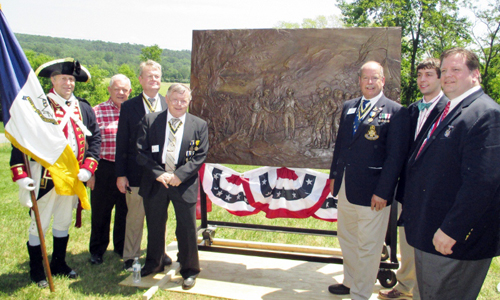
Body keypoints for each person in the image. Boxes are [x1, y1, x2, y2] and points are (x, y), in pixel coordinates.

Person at [402, 48, 500, 299]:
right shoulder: (452, 109)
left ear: (475, 74)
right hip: (430, 232)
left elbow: (482, 183)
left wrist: (453, 230)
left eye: (456, 70)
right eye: (444, 70)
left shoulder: (486, 114)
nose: (447, 76)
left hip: (451, 241)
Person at [10, 58, 100, 287]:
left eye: (71, 79)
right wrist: (21, 175)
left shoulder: (84, 108)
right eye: (63, 79)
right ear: (52, 80)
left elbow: (95, 139)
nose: (68, 83)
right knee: (38, 224)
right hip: (44, 175)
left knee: (63, 221)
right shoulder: (38, 107)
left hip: (73, 176)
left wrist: (88, 169)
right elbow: (20, 142)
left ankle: (59, 263)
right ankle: (37, 270)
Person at [328, 61, 410, 300]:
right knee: (347, 238)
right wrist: (335, 177)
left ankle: (361, 294)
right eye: (366, 78)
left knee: (369, 246)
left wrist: (383, 192)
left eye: (375, 78)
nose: (370, 82)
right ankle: (350, 281)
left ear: (383, 80)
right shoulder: (349, 107)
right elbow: (341, 146)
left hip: (373, 192)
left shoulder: (395, 111)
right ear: (360, 80)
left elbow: (395, 158)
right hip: (346, 187)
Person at [379, 58, 448, 300]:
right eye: (419, 75)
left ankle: (424, 293)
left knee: (428, 247)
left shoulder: (451, 109)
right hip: (408, 190)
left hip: (434, 193)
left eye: (429, 74)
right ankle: (406, 284)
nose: (422, 80)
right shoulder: (410, 110)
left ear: (440, 78)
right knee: (407, 242)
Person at [136, 83, 208, 290]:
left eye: (183, 100)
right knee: (155, 224)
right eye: (175, 100)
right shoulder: (150, 120)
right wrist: (160, 174)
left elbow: (200, 155)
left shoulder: (199, 124)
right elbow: (141, 152)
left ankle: (189, 270)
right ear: (166, 99)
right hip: (156, 180)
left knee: (187, 227)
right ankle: (154, 263)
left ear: (189, 102)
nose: (179, 104)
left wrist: (180, 175)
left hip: (184, 182)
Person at [115, 60, 167, 271]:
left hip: (161, 173)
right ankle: (131, 256)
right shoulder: (129, 107)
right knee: (135, 216)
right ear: (140, 80)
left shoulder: (168, 103)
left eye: (156, 76)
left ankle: (159, 253)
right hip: (136, 172)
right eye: (149, 76)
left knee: (159, 217)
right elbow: (122, 141)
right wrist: (120, 174)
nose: (153, 79)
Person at [88, 74, 132, 265]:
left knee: (125, 210)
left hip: (128, 169)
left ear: (130, 91)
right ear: (109, 90)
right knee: (101, 211)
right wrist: (89, 172)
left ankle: (121, 247)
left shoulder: (134, 111)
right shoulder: (96, 111)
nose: (121, 93)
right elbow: (88, 143)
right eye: (117, 89)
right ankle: (97, 250)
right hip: (103, 168)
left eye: (124, 90)